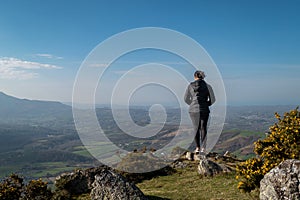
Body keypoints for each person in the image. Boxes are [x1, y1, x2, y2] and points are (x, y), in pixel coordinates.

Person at [184, 70, 215, 154]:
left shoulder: (190, 86)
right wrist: (206, 104)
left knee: (196, 128)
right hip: (204, 109)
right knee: (203, 128)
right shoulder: (208, 86)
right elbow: (213, 99)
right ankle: (203, 149)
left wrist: (192, 105)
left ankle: (197, 148)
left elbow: (186, 99)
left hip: (193, 110)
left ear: (195, 76)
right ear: (203, 76)